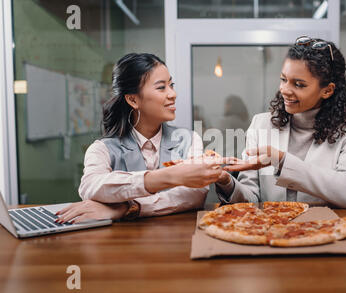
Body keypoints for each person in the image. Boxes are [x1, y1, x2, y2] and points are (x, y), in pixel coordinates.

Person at [55, 53, 223, 223]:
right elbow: (91, 187)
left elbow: (195, 194)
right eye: (161, 87)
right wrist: (167, 177)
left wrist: (129, 207)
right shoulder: (102, 149)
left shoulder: (189, 139)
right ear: (133, 100)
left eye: (171, 85)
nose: (173, 94)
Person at [214, 36, 346, 208]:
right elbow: (251, 199)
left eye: (299, 85)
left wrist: (281, 160)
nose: (285, 90)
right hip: (269, 232)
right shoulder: (261, 124)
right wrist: (226, 181)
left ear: (327, 90)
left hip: (323, 229)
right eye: (283, 79)